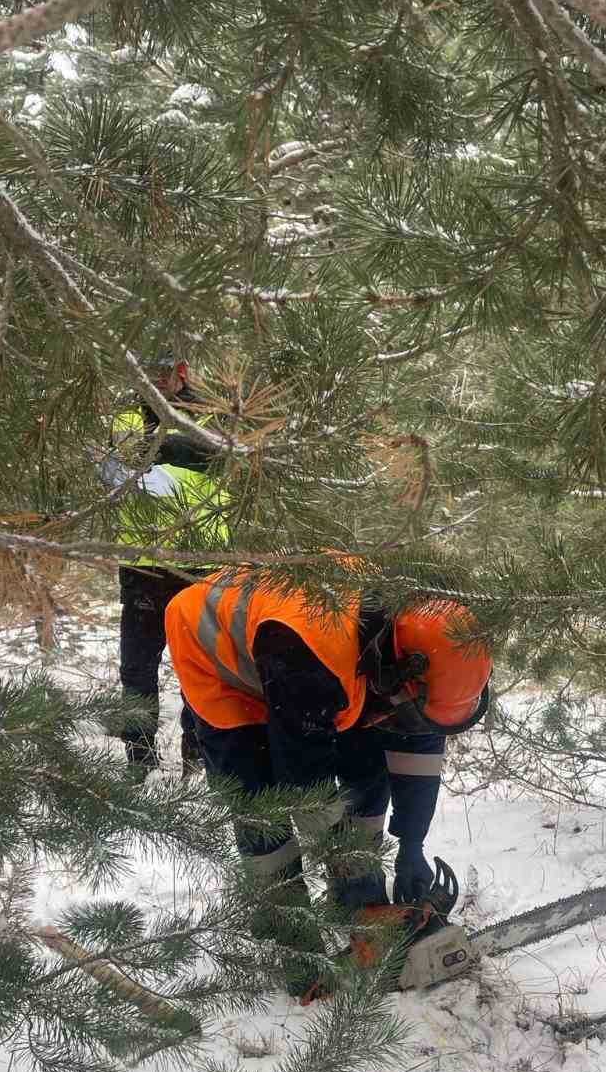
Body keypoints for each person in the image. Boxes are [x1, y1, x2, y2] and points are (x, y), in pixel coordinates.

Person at [164, 566, 492, 990]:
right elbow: (302, 786)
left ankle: (355, 900)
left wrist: (412, 842)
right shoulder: (312, 657)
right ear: (393, 672)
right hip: (216, 651)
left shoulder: (424, 641)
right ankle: (283, 925)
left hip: (316, 654)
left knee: (367, 770)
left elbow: (418, 745)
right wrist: (348, 868)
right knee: (257, 799)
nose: (404, 721)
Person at [104, 357, 230, 777]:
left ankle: (198, 754)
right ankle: (138, 759)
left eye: (164, 370)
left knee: (201, 667)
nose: (156, 380)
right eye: (147, 371)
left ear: (183, 369)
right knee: (137, 668)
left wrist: (163, 462)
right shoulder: (125, 411)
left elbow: (223, 463)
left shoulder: (211, 410)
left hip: (200, 561)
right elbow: (115, 465)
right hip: (144, 562)